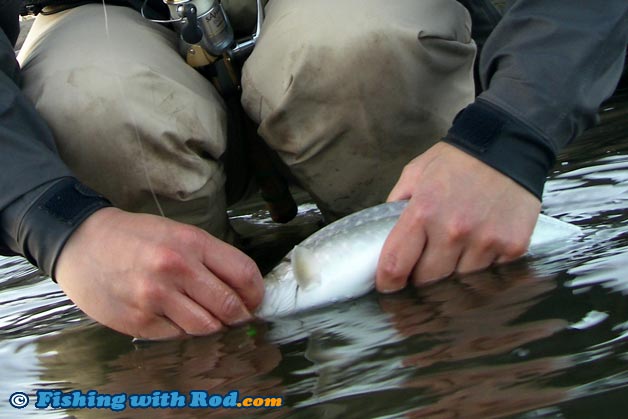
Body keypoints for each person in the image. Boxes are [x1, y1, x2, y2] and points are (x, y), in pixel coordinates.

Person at [1, 0, 626, 340]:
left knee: (364, 38)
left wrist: (508, 139)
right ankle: (195, 329)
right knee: (90, 108)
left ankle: (441, 299)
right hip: (98, 17)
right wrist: (54, 218)